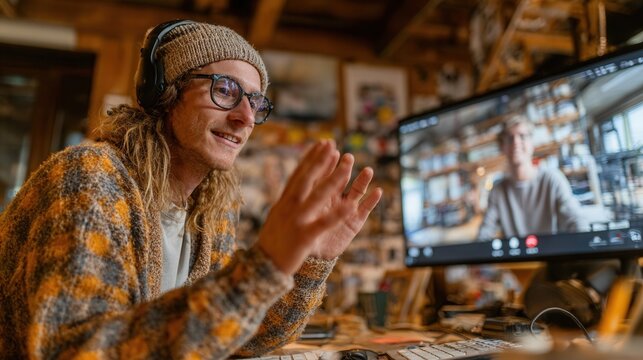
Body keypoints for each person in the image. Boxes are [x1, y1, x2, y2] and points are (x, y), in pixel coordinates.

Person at [0, 20, 382, 359]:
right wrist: (264, 268)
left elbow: (233, 338)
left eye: (256, 101)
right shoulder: (90, 179)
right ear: (165, 92)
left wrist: (310, 264)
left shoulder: (208, 210)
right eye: (225, 89)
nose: (246, 117)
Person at [477, 115, 587, 240]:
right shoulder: (497, 190)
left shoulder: (552, 179)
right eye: (509, 138)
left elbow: (576, 220)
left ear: (532, 143)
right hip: (520, 258)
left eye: (522, 136)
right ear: (502, 147)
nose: (516, 142)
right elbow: (485, 232)